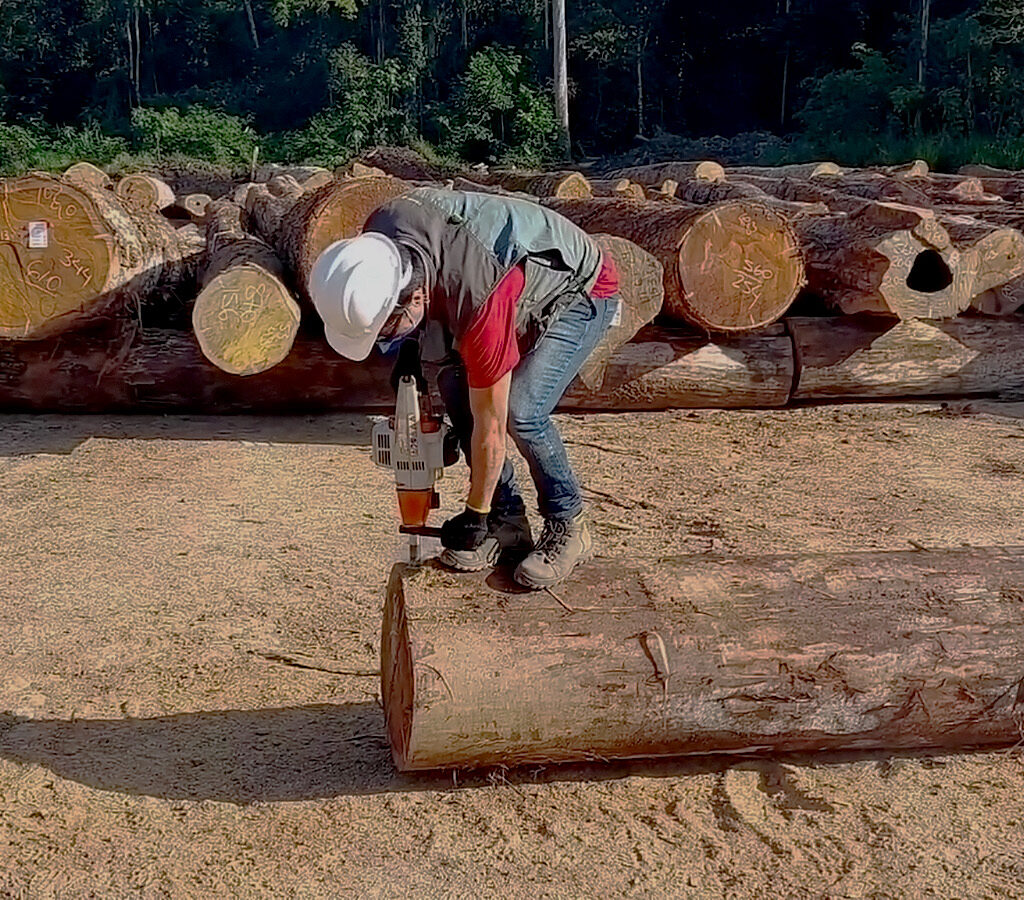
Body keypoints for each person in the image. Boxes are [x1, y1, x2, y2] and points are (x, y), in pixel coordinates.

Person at [308, 187, 620, 589]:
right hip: (492, 276)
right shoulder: (380, 238)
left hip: (579, 287)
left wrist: (473, 512)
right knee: (451, 382)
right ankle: (507, 522)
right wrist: (408, 350)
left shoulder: (480, 298)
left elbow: (490, 427)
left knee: (521, 411)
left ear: (415, 296)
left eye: (387, 330)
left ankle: (569, 524)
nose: (382, 341)